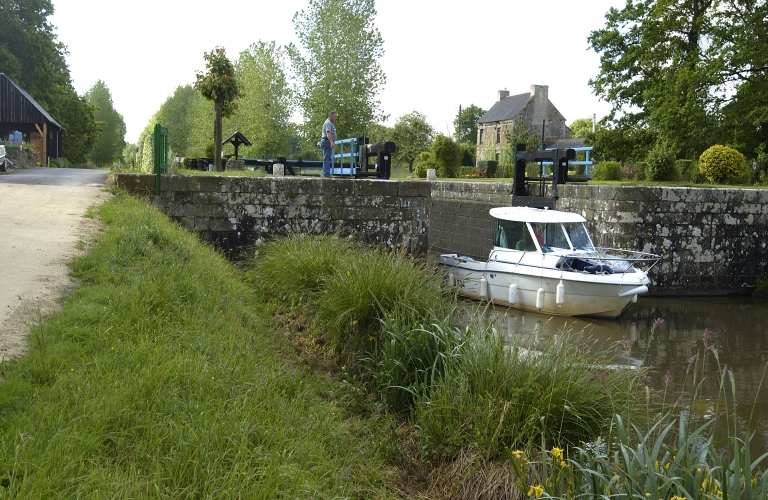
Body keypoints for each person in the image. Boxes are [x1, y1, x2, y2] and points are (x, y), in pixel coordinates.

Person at [320, 111, 338, 178]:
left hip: (326, 141)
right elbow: (328, 133)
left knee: (327, 158)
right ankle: (326, 174)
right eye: (335, 116)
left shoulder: (329, 123)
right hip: (327, 141)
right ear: (331, 116)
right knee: (327, 158)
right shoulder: (328, 123)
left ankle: (326, 173)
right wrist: (331, 142)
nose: (336, 118)